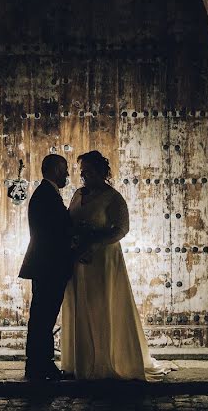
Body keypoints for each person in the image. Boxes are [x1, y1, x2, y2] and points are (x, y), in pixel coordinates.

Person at [60, 150, 168, 381]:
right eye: (83, 171)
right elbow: (70, 221)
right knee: (80, 305)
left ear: (101, 172)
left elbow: (121, 229)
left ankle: (103, 362)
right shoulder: (78, 194)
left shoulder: (113, 198)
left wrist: (97, 243)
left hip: (103, 260)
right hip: (79, 259)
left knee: (101, 306)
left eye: (89, 170)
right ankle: (80, 362)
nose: (84, 175)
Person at [17, 154, 73, 380]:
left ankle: (38, 365)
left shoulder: (46, 194)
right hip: (49, 266)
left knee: (42, 316)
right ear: (52, 170)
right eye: (63, 169)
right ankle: (41, 365)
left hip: (46, 265)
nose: (67, 174)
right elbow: (57, 232)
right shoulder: (47, 196)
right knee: (44, 317)